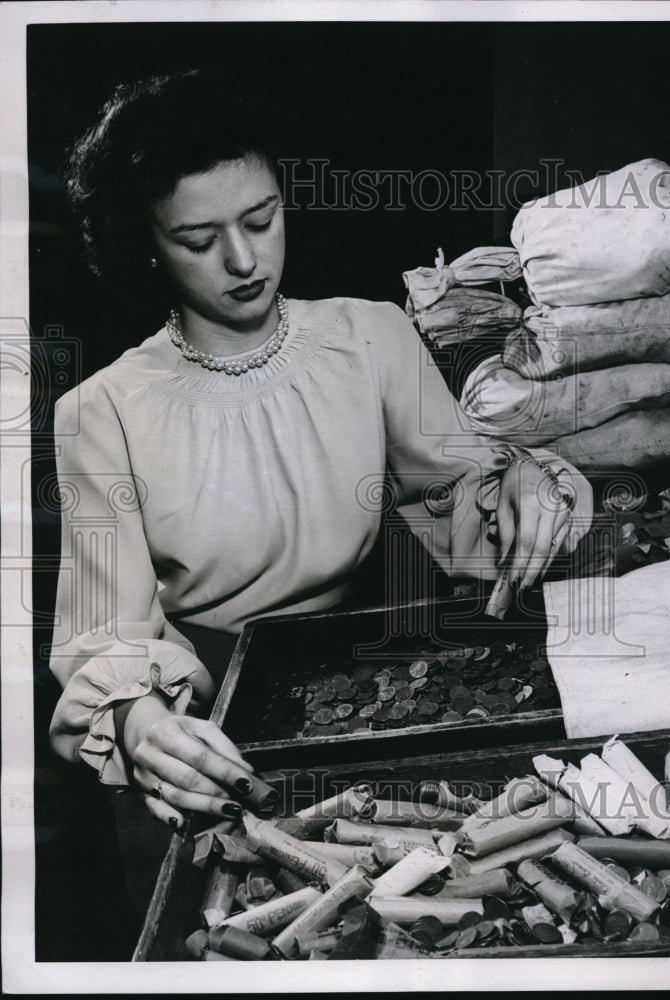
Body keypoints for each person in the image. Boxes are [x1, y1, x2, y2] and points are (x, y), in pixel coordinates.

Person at [48, 69, 592, 903]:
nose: (243, 260)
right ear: (146, 244)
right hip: (205, 740)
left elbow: (464, 498)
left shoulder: (369, 335)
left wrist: (519, 483)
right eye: (198, 239)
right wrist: (138, 721)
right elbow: (104, 635)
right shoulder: (102, 411)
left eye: (261, 220)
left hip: (363, 700)